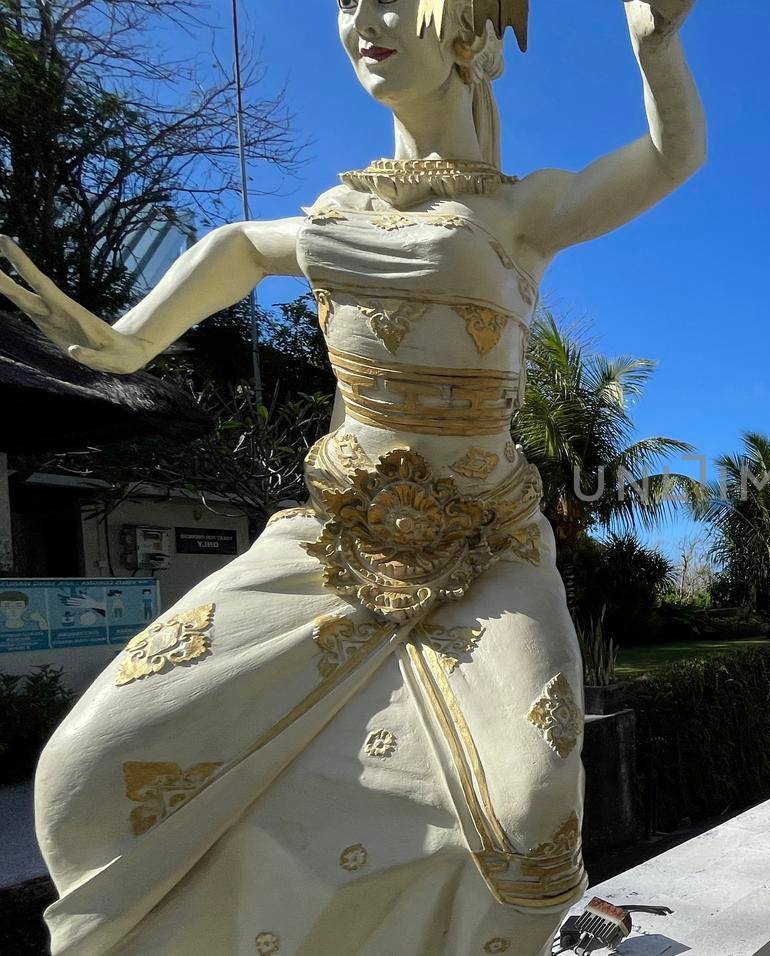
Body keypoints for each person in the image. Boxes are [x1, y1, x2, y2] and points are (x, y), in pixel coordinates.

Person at [3, 2, 705, 953]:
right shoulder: (336, 213)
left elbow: (669, 158)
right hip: (330, 543)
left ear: (463, 28)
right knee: (92, 771)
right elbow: (241, 249)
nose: (364, 21)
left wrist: (656, 48)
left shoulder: (520, 211)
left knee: (534, 812)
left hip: (489, 549)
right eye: (346, 0)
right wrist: (131, 340)